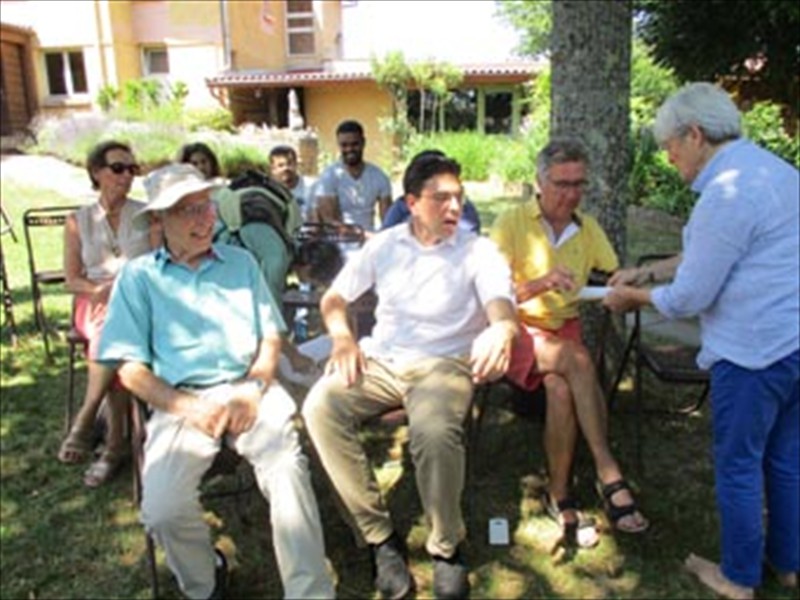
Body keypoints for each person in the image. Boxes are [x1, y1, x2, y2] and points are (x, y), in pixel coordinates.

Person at [97, 163, 335, 600]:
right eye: (186, 210)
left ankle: (310, 593)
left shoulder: (241, 263)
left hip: (249, 390)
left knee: (286, 468)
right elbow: (129, 369)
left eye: (205, 206)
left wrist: (253, 387)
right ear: (158, 220)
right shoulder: (140, 278)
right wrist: (188, 407)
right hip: (179, 403)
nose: (203, 219)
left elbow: (270, 337)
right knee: (162, 509)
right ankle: (206, 580)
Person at [605, 82, 799, 600]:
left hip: (753, 352)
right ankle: (788, 563)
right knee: (785, 457)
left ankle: (737, 578)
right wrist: (649, 273)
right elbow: (720, 253)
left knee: (738, 464)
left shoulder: (725, 193)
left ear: (695, 135)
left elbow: (690, 296)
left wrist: (633, 300)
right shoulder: (774, 171)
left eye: (670, 148)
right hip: (794, 341)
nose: (670, 160)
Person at [302, 154, 518, 599]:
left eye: (459, 197)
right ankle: (379, 537)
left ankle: (445, 546)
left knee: (435, 434)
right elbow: (334, 299)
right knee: (319, 407)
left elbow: (500, 301)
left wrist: (502, 327)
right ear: (412, 203)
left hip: (444, 363)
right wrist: (342, 339)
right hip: (382, 360)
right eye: (442, 198)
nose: (454, 208)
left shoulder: (477, 249)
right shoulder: (385, 244)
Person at [490, 138, 649, 548]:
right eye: (562, 184)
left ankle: (559, 495)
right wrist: (541, 283)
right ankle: (608, 470)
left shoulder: (587, 227)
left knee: (561, 388)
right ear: (540, 182)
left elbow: (610, 274)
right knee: (577, 358)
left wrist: (619, 286)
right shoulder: (511, 222)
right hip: (519, 330)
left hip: (564, 336)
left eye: (579, 184)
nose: (571, 193)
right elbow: (488, 294)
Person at [57, 140, 153, 487]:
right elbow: (71, 280)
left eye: (132, 169)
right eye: (118, 168)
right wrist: (99, 290)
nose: (127, 175)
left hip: (139, 300)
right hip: (93, 299)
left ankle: (90, 421)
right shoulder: (77, 221)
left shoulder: (146, 214)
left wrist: (125, 288)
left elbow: (158, 267)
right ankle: (114, 444)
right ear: (97, 172)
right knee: (110, 324)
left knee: (114, 324)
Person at [314, 120, 392, 235]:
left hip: (370, 240)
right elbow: (330, 222)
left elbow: (388, 220)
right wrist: (362, 235)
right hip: (338, 241)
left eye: (354, 144)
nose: (349, 149)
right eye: (344, 145)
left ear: (363, 143)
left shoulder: (379, 176)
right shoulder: (329, 176)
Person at [382, 150, 481, 234]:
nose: (455, 207)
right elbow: (387, 231)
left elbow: (467, 231)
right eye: (440, 197)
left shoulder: (465, 208)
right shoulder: (400, 205)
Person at [269, 144, 314, 230]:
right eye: (280, 165)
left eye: (289, 164)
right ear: (272, 169)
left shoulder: (311, 186)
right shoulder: (267, 191)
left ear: (296, 164)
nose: (286, 168)